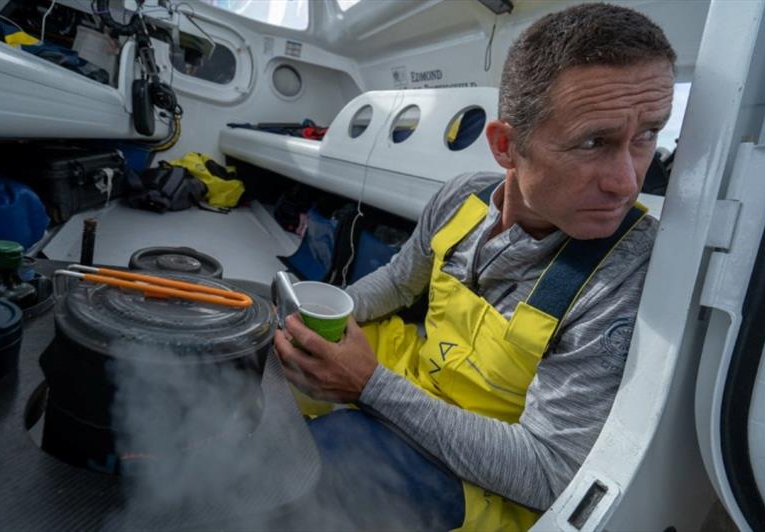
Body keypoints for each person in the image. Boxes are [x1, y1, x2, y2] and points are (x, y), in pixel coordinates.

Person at [273, 3, 675, 530]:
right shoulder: (461, 199)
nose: (627, 181)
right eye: (594, 141)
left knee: (319, 471)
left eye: (647, 135)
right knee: (259, 354)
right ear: (507, 147)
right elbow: (397, 283)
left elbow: (551, 471)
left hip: (488, 476)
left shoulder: (625, 269)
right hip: (416, 379)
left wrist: (367, 386)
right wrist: (321, 318)